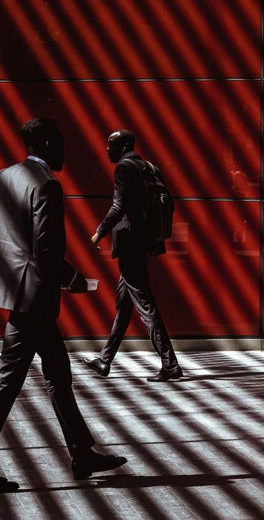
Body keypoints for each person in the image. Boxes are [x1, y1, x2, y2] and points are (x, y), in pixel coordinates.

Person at [0, 117, 126, 493]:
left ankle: (82, 451)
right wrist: (73, 279)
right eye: (61, 142)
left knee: (58, 373)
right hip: (34, 296)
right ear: (47, 143)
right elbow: (46, 251)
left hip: (23, 294)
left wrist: (2, 259)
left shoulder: (3, 177)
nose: (66, 150)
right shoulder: (46, 185)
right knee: (7, 381)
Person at [83, 130, 182, 382]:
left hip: (131, 244)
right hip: (147, 243)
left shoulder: (125, 168)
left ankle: (169, 364)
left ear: (124, 144)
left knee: (144, 303)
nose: (107, 149)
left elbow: (119, 206)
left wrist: (99, 232)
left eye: (111, 143)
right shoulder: (150, 167)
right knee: (125, 306)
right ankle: (105, 361)